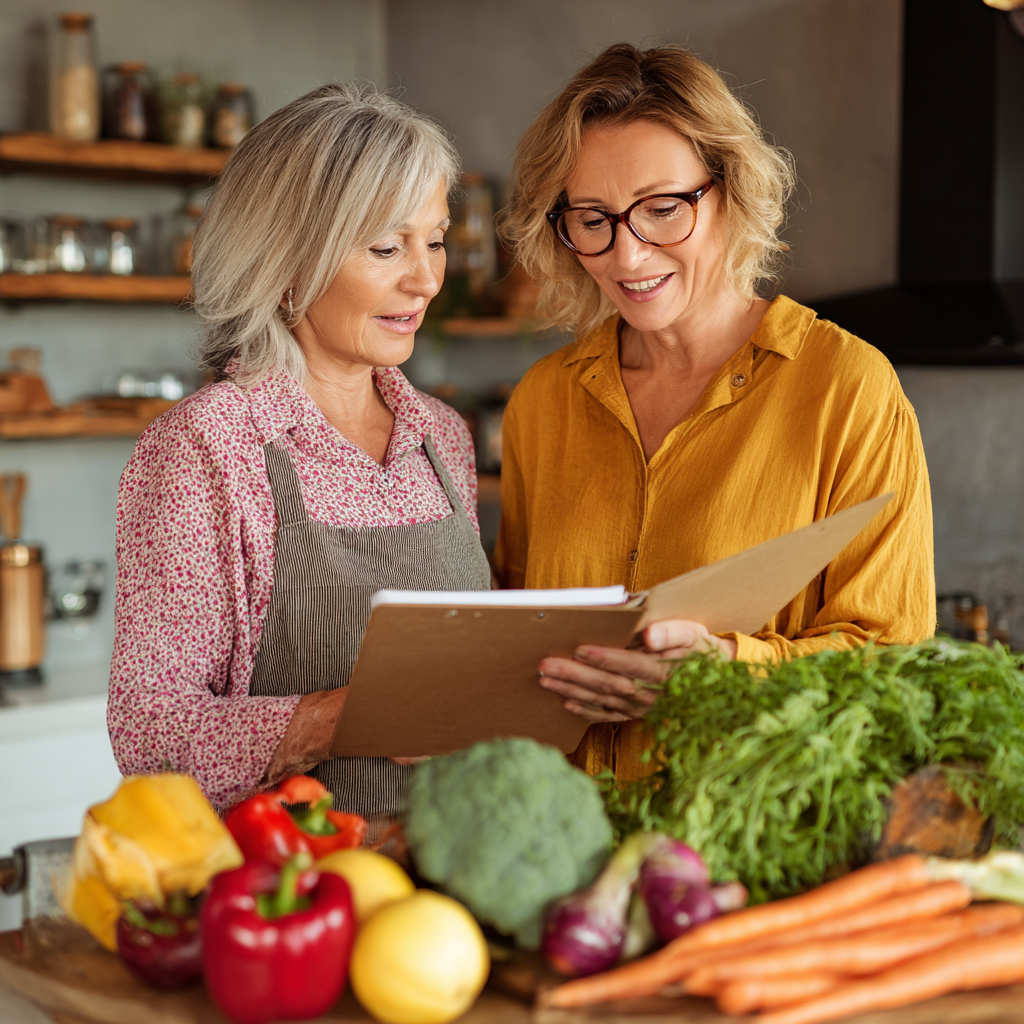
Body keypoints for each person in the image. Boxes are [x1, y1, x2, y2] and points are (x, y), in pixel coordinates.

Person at [495, 44, 934, 781]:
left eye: (662, 210)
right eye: (593, 219)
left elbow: (892, 669)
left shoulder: (847, 387)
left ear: (730, 192)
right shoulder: (543, 401)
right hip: (554, 850)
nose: (627, 256)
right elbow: (513, 631)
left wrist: (728, 671)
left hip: (750, 857)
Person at [108, 84, 490, 813]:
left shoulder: (442, 438)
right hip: (291, 889)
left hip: (453, 888)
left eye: (434, 240)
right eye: (387, 247)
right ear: (286, 264)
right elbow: (149, 737)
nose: (427, 278)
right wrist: (346, 718)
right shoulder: (206, 449)